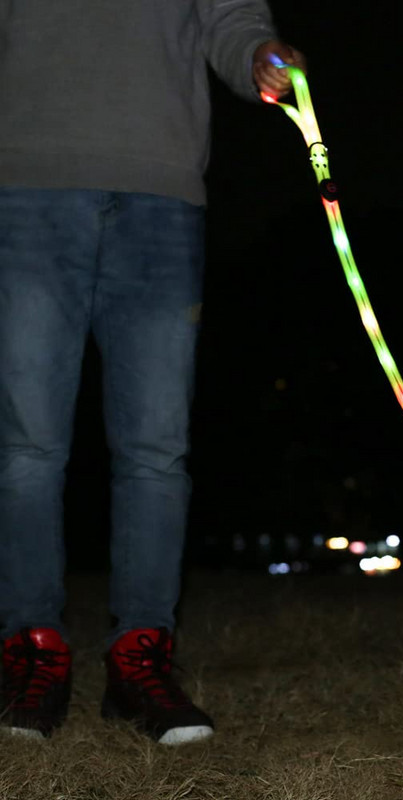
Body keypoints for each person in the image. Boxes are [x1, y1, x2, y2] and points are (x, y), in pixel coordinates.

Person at [0, 1, 306, 744]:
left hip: (163, 197)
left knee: (156, 450)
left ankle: (141, 659)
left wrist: (261, 54)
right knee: (28, 447)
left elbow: (228, 18)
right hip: (26, 187)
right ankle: (29, 652)